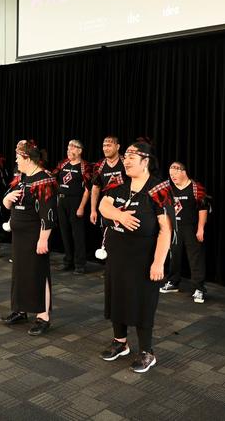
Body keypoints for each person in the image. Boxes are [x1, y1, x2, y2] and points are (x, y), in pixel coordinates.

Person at [98, 139, 173, 373]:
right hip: (118, 256)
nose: (126, 160)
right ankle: (120, 342)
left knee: (142, 305)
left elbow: (166, 230)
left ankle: (147, 352)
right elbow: (103, 206)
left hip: (143, 259)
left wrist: (158, 262)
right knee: (117, 297)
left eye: (132, 156)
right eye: (126, 156)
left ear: (146, 161)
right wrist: (119, 216)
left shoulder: (159, 189)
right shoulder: (119, 184)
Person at [0, 140, 57, 336]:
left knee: (38, 273)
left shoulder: (44, 180)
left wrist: (43, 239)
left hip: (35, 235)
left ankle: (43, 316)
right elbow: (9, 202)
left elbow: (48, 214)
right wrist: (6, 200)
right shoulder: (22, 177)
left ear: (27, 158)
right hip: (19, 235)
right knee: (20, 272)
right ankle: (21, 309)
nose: (16, 160)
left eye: (18, 157)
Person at [160, 161, 210, 303]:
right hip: (175, 228)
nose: (173, 177)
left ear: (183, 172)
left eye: (175, 174)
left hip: (191, 228)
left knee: (195, 258)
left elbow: (203, 209)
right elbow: (166, 209)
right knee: (174, 256)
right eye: (170, 175)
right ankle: (173, 282)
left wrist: (201, 228)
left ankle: (199, 288)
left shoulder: (196, 188)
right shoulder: (169, 189)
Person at [54, 139, 93, 274]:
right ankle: (68, 261)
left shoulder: (85, 166)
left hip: (76, 202)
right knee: (64, 232)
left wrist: (82, 206)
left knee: (78, 234)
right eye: (68, 147)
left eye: (72, 147)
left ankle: (80, 264)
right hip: (62, 201)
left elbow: (88, 188)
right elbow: (54, 179)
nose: (69, 149)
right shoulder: (63, 163)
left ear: (80, 150)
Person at [89, 136, 126, 227]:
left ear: (117, 147)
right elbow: (95, 188)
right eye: (104, 146)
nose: (105, 148)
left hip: (125, 207)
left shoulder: (126, 162)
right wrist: (93, 210)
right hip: (106, 207)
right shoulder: (99, 165)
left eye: (109, 145)